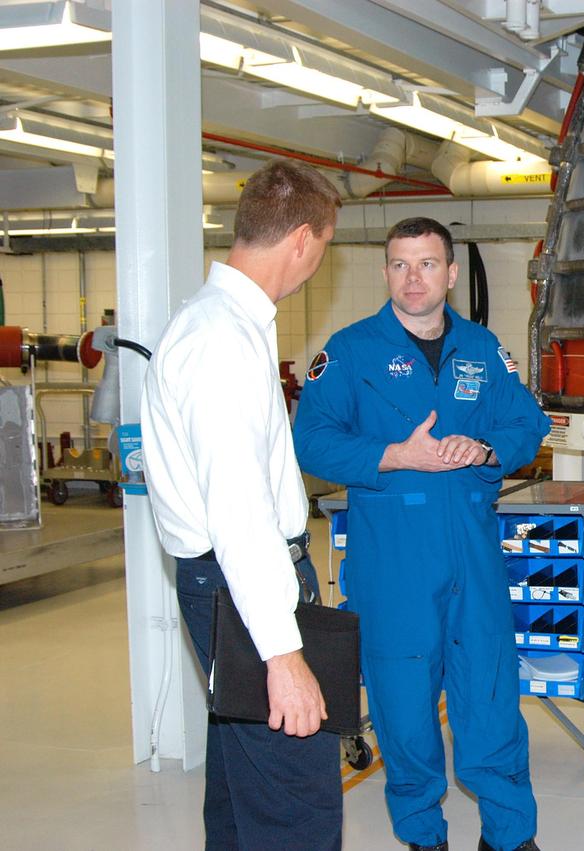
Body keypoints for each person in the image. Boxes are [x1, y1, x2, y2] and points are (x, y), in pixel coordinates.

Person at [293, 217, 549, 851]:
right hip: (394, 557)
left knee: (489, 692)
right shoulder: (350, 352)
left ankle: (511, 835)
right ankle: (421, 834)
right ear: (385, 273)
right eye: (401, 264)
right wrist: (393, 456)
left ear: (452, 274)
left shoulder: (484, 349)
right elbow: (310, 439)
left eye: (427, 264)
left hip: (473, 545)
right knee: (404, 703)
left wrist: (487, 447)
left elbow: (528, 423)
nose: (413, 278)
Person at [140, 158, 343, 849]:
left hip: (236, 585)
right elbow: (237, 512)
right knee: (295, 795)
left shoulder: (225, 322)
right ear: (303, 242)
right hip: (242, 589)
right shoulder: (220, 341)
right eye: (324, 250)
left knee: (241, 787)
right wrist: (283, 656)